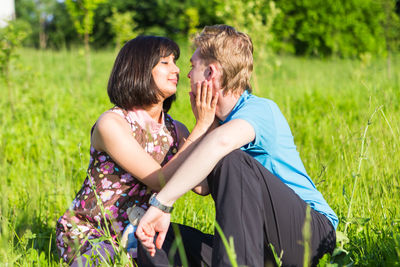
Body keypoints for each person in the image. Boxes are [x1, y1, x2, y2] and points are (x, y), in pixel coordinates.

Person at [136, 25, 338, 267]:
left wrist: (162, 203)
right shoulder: (219, 127)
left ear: (210, 73)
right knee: (156, 237)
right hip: (256, 248)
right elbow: (202, 186)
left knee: (232, 159)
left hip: (310, 236)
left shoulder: (259, 110)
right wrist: (205, 125)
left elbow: (221, 145)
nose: (186, 74)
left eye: (193, 66)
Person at [55, 35, 218, 265]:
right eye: (165, 62)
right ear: (139, 69)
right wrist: (200, 127)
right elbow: (159, 180)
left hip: (141, 230)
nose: (177, 70)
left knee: (207, 253)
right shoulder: (112, 123)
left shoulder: (176, 130)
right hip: (93, 235)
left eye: (175, 61)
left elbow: (202, 187)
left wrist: (211, 126)